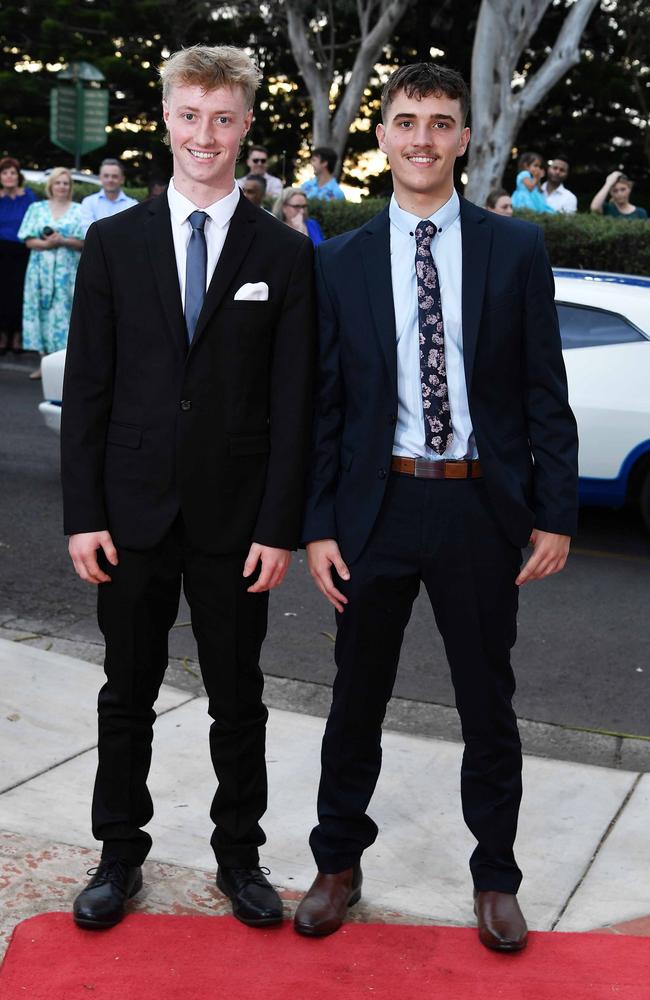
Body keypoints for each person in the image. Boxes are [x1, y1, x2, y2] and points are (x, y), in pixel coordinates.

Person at [295, 62, 578, 952]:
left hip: (477, 513)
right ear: (381, 138)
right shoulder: (337, 261)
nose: (422, 138)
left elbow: (543, 392)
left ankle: (496, 875)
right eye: (406, 121)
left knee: (487, 702)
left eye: (440, 122)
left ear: (464, 137)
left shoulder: (516, 247)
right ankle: (337, 862)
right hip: (376, 508)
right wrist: (317, 523)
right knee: (355, 701)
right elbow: (324, 408)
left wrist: (555, 512)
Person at [62, 44, 314, 933]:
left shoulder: (283, 253)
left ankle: (239, 858)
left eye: (223, 117)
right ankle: (117, 855)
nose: (204, 133)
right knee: (125, 692)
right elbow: (88, 387)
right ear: (166, 118)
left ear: (246, 126)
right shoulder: (113, 241)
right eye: (189, 114)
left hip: (236, 521)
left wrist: (280, 526)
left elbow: (295, 403)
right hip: (127, 515)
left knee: (237, 696)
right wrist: (82, 515)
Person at [18, 167, 84, 378]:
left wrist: (62, 241)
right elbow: (27, 240)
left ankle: (64, 366)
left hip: (67, 272)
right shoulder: (36, 209)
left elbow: (85, 241)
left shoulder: (79, 210)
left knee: (65, 315)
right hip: (40, 271)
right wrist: (47, 245)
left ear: (70, 187)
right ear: (51, 186)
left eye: (66, 183)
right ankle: (43, 365)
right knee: (41, 312)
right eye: (58, 183)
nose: (62, 187)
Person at [0, 157, 37, 354]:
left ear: (18, 176)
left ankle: (17, 336)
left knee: (19, 294)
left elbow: (35, 222)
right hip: (1, 253)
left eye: (12, 172)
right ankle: (3, 335)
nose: (8, 176)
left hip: (22, 252)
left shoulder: (29, 197)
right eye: (5, 173)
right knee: (2, 295)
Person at [80, 158, 138, 234]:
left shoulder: (133, 205)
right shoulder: (88, 202)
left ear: (122, 179)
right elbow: (87, 232)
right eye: (106, 176)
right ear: (100, 178)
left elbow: (132, 232)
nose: (110, 180)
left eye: (114, 176)